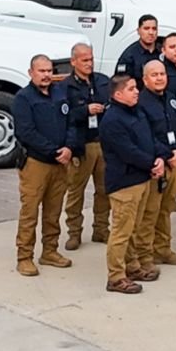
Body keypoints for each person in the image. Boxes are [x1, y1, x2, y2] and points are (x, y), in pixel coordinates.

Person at [12, 54, 78, 276]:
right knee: (30, 211)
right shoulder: (23, 98)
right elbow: (26, 132)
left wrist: (69, 147)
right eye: (41, 71)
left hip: (61, 164)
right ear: (31, 73)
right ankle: (24, 256)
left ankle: (50, 251)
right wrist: (53, 150)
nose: (46, 75)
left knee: (53, 211)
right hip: (36, 163)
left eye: (49, 70)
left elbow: (71, 123)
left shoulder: (60, 94)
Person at [99, 74, 162, 293]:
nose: (137, 91)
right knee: (121, 231)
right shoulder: (112, 119)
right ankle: (116, 277)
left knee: (134, 228)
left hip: (142, 178)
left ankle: (133, 266)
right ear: (118, 94)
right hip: (124, 183)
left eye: (136, 87)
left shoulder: (137, 111)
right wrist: (152, 163)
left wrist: (159, 157)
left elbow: (149, 138)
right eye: (131, 88)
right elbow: (127, 151)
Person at [137, 61, 176, 269]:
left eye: (162, 74)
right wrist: (167, 154)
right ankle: (145, 254)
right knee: (150, 212)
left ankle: (163, 248)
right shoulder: (140, 103)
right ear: (145, 79)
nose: (159, 78)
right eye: (154, 75)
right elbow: (145, 136)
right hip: (156, 165)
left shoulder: (171, 99)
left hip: (175, 163)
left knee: (166, 209)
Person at [61, 43, 111, 251]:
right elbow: (63, 115)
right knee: (75, 191)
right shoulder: (65, 87)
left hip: (103, 143)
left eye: (90, 59)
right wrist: (84, 110)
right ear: (73, 62)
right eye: (84, 60)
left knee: (104, 190)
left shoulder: (102, 81)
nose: (89, 64)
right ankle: (74, 232)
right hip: (81, 145)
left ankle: (101, 228)